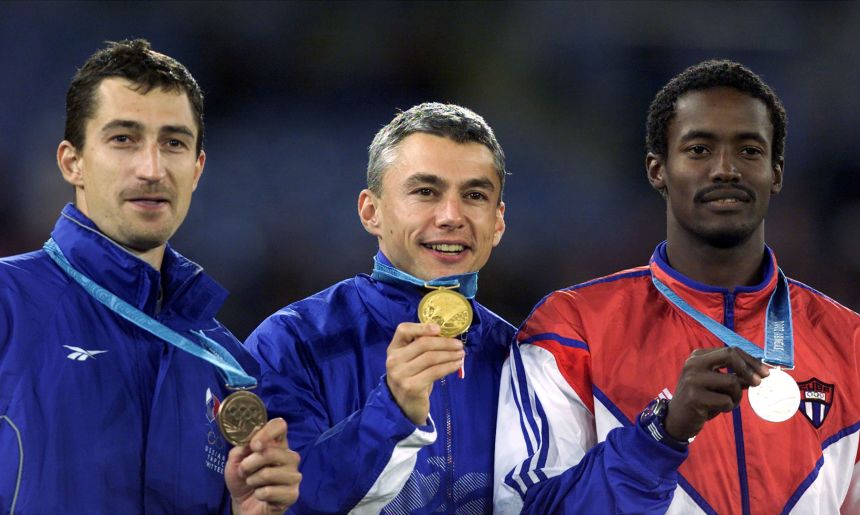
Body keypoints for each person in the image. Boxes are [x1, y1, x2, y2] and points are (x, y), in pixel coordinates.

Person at [495, 60, 860, 514]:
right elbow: (527, 508)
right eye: (699, 149)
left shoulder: (850, 343)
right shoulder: (572, 329)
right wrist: (660, 435)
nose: (726, 169)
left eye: (749, 151)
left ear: (776, 172)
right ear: (657, 170)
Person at [0, 39, 300, 514]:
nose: (152, 168)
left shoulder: (225, 363)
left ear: (197, 168)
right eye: (123, 139)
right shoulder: (9, 302)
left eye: (174, 143)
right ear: (71, 162)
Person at [245, 102, 515, 513]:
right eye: (425, 192)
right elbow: (278, 506)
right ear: (371, 211)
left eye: (474, 195)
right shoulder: (291, 343)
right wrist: (393, 411)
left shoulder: (522, 356)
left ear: (497, 223)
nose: (451, 216)